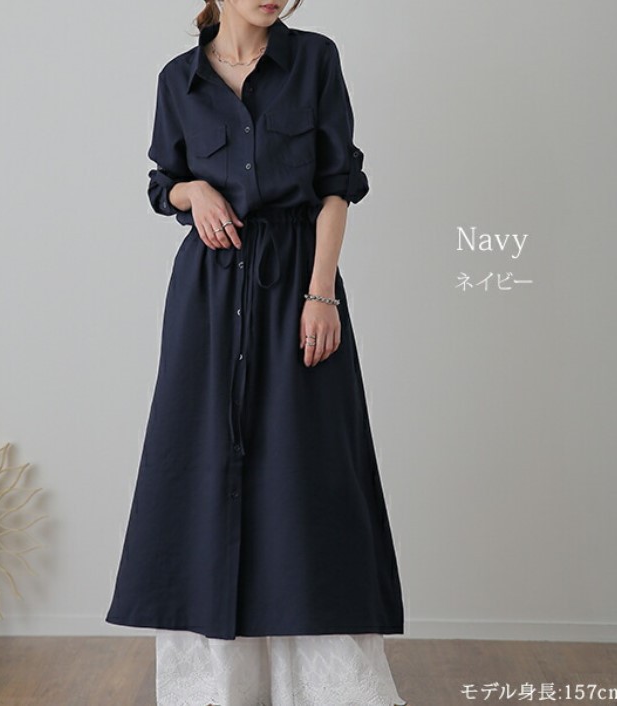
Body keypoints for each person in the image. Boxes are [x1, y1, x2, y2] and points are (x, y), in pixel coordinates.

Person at [105, 1, 407, 704]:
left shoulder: (314, 59)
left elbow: (337, 184)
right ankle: (216, 687)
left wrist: (321, 293)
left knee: (310, 472)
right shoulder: (178, 80)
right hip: (208, 297)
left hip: (297, 283)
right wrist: (193, 190)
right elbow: (162, 182)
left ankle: (329, 687)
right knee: (201, 466)